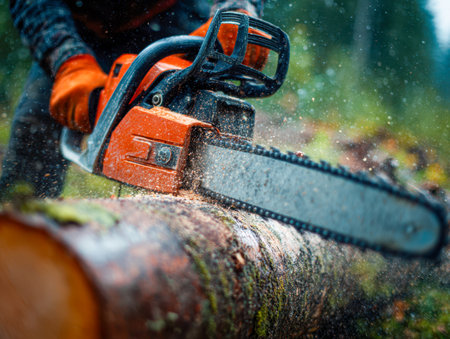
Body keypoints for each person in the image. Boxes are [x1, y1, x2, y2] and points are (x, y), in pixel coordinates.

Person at [1, 0, 267, 199]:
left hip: (168, 16)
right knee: (35, 129)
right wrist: (66, 58)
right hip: (74, 27)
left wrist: (238, 8)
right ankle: (22, 234)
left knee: (187, 125)